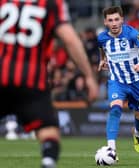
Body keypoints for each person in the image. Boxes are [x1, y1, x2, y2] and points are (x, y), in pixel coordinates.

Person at [0, 0, 98, 168]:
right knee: (48, 130)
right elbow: (70, 40)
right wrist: (88, 75)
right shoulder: (52, 4)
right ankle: (48, 161)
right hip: (31, 80)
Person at [97, 6, 139, 160]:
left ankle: (138, 134)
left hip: (136, 82)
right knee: (115, 109)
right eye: (110, 20)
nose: (114, 23)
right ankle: (111, 149)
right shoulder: (102, 38)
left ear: (122, 19)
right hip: (117, 81)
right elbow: (102, 48)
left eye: (116, 19)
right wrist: (103, 59)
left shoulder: (132, 33)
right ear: (105, 22)